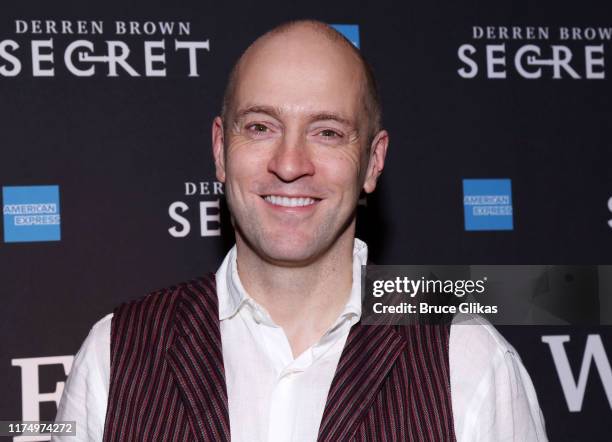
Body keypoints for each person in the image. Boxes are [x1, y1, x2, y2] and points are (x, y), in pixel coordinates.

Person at [53, 20, 548, 441]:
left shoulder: (468, 357)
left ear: (373, 162)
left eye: (327, 132)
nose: (290, 164)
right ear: (221, 150)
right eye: (261, 127)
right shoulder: (117, 351)